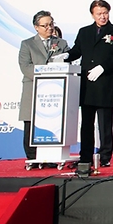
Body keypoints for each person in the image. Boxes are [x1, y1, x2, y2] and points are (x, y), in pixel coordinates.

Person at [66, 0, 113, 168]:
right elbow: (77, 50)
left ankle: (105, 155)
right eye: (99, 13)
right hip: (87, 83)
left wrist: (103, 67)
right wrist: (64, 57)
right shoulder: (84, 31)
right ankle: (85, 155)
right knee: (86, 123)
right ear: (92, 14)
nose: (103, 16)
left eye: (105, 13)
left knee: (105, 122)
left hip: (104, 81)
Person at [18, 11, 69, 161]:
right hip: (34, 86)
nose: (49, 28)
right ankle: (32, 156)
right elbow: (25, 66)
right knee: (31, 121)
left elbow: (67, 62)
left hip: (55, 90)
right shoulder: (27, 44)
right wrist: (43, 78)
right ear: (36, 27)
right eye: (45, 25)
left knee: (54, 121)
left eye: (51, 24)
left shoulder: (61, 43)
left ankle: (53, 156)